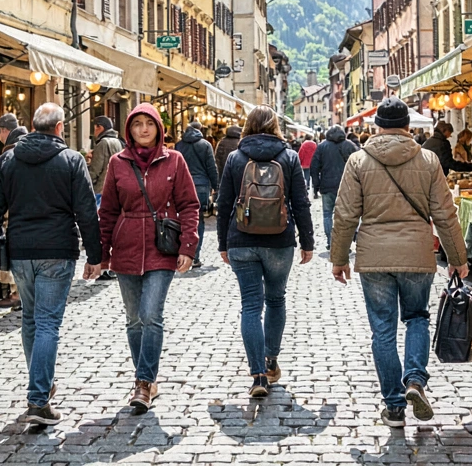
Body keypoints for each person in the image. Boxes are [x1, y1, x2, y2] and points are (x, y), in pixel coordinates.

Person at [331, 98, 469, 427]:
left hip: (374, 257)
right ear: (409, 126)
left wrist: (338, 258)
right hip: (417, 254)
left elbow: (345, 214)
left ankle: (394, 406)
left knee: (383, 331)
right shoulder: (429, 160)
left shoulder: (358, 161)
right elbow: (445, 214)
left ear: (377, 125)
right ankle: (416, 381)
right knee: (417, 318)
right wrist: (457, 257)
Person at [0, 102, 102, 427]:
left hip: (21, 251)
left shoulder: (9, 160)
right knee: (47, 323)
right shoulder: (72, 160)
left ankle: (42, 386)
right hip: (58, 250)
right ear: (60, 127)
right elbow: (87, 213)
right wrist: (95, 255)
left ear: (34, 126)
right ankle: (39, 398)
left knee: (32, 321)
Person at [98, 103, 200, 414]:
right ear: (129, 129)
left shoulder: (175, 161)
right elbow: (108, 212)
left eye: (149, 124)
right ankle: (146, 378)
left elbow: (189, 205)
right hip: (126, 247)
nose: (143, 129)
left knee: (151, 314)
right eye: (137, 124)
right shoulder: (117, 163)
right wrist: (102, 253)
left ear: (158, 128)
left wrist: (188, 246)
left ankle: (143, 381)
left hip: (162, 248)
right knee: (133, 320)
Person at [217, 106, 315, 397]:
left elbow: (224, 204)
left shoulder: (235, 157)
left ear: (247, 126)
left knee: (250, 306)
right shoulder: (289, 157)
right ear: (275, 127)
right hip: (279, 240)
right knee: (275, 299)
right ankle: (271, 361)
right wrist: (307, 242)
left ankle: (257, 375)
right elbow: (301, 203)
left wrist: (223, 243)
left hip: (242, 240)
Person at [174, 121, 219, 268]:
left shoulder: (179, 145)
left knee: (182, 220)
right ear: (200, 130)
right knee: (198, 220)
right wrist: (215, 186)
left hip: (182, 185)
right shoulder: (205, 145)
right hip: (200, 186)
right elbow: (211, 167)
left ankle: (182, 253)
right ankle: (195, 256)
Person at [311, 125, 358, 249]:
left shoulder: (321, 147)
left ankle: (331, 241)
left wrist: (316, 187)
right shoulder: (350, 145)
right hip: (347, 186)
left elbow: (314, 168)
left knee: (327, 214)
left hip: (327, 186)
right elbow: (360, 165)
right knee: (346, 215)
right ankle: (345, 243)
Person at [88, 117, 123, 203]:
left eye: (95, 128)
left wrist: (88, 185)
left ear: (99, 127)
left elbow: (95, 170)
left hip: (101, 190)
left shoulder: (103, 143)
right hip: (114, 188)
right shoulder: (117, 142)